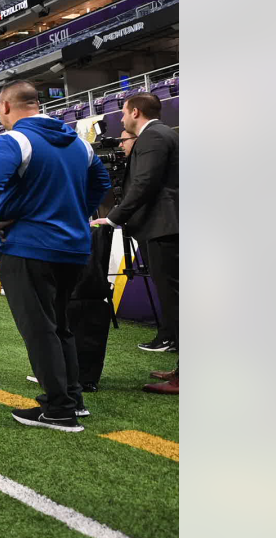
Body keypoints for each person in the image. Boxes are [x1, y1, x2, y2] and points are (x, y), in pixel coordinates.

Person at [0, 80, 110, 433]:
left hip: (29, 247)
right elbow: (102, 183)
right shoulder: (78, 142)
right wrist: (77, 211)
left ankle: (59, 408)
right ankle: (73, 400)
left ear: (5, 107)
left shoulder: (15, 140)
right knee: (61, 325)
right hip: (75, 248)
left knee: (39, 328)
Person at [91, 93, 179, 394]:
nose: (122, 118)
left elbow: (145, 183)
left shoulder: (153, 136)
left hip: (165, 226)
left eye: (124, 112)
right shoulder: (163, 133)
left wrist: (114, 218)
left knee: (175, 300)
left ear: (136, 112)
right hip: (167, 226)